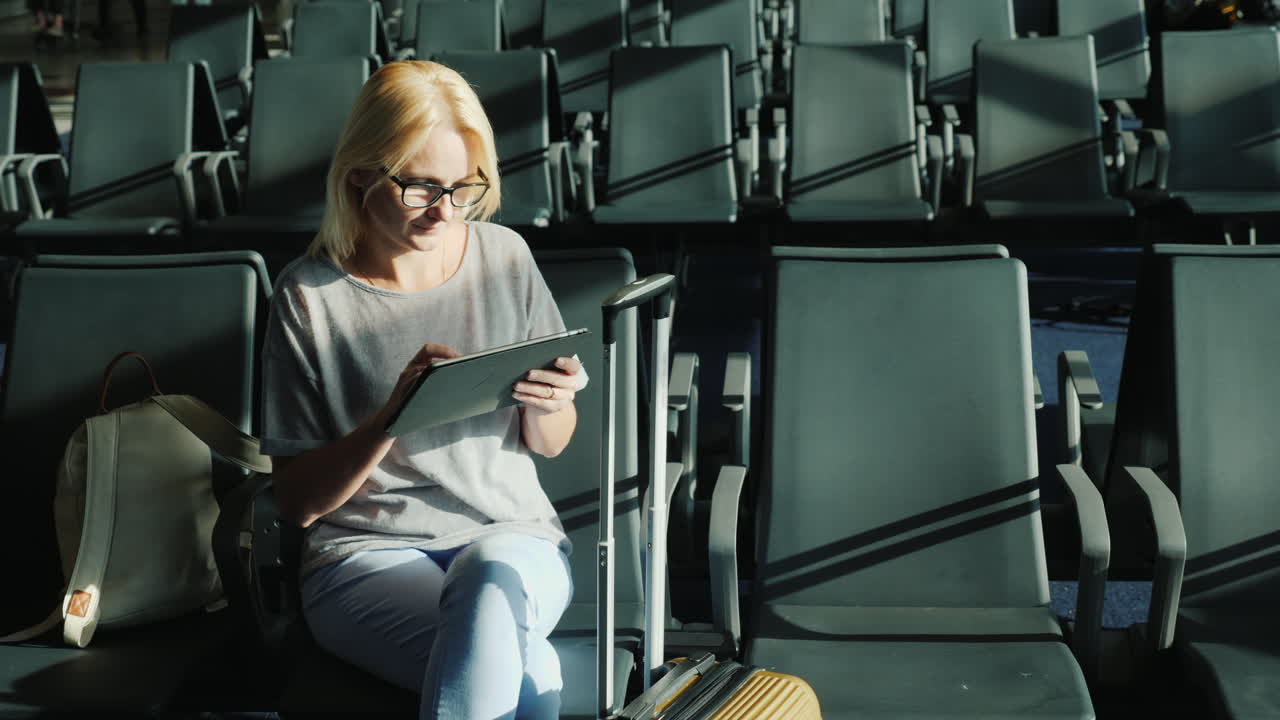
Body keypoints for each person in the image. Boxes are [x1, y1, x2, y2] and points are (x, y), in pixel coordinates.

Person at [261, 60, 587, 719]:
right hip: (364, 555)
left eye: (463, 187)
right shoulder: (309, 295)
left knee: (487, 579)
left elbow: (550, 446)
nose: (444, 211)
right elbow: (295, 504)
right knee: (528, 675)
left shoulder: (504, 259)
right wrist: (391, 418)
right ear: (359, 175)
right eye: (420, 188)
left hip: (511, 533)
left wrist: (552, 404)